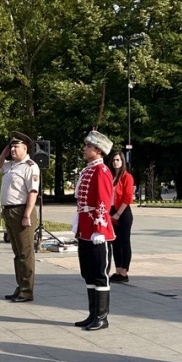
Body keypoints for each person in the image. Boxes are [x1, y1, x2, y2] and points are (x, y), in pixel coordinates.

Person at [72, 130, 116, 331]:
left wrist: (99, 228)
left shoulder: (102, 171)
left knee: (100, 274)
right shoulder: (88, 169)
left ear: (98, 150)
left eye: (88, 146)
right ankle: (92, 314)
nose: (84, 149)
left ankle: (102, 317)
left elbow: (103, 201)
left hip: (98, 232)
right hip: (86, 230)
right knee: (88, 273)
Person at [0, 131, 40, 303]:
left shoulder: (30, 166)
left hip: (21, 211)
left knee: (25, 253)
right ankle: (20, 285)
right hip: (9, 211)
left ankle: (27, 290)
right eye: (11, 146)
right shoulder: (10, 165)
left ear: (25, 148)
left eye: (16, 147)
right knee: (17, 253)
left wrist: (27, 214)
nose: (13, 149)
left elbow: (33, 192)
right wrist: (4, 153)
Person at [109, 152, 135, 283]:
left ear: (122, 161)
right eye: (113, 160)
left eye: (118, 160)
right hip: (112, 211)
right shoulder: (111, 177)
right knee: (115, 242)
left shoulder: (127, 177)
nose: (115, 162)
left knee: (124, 242)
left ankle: (124, 272)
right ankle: (118, 270)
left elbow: (127, 197)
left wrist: (118, 214)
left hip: (123, 212)